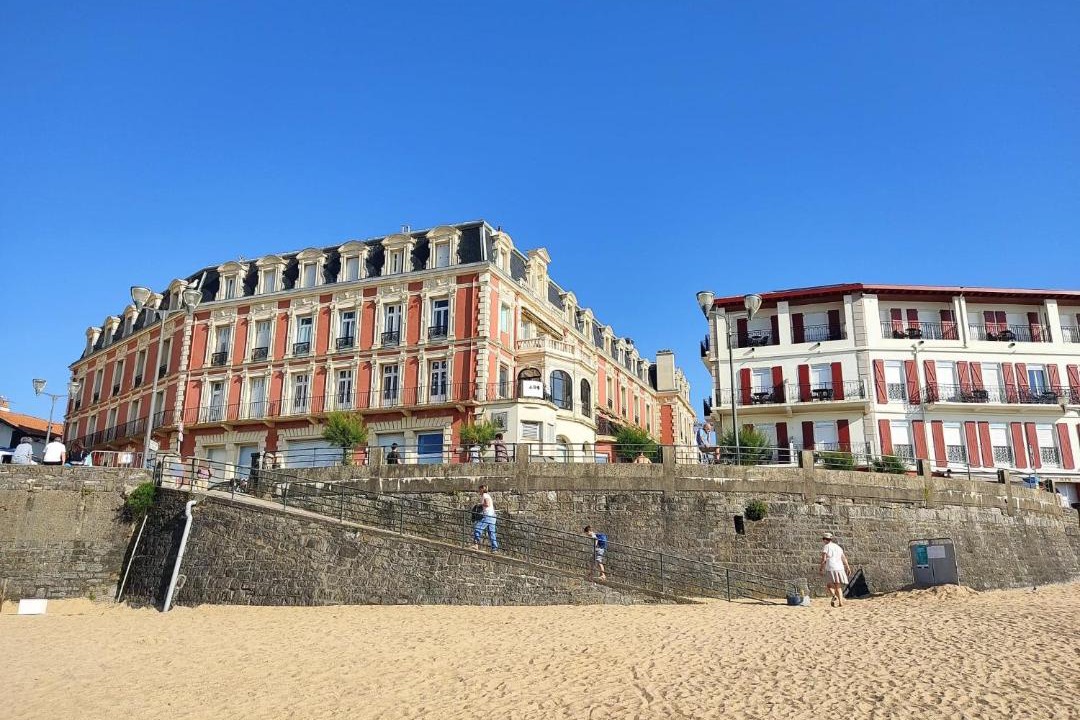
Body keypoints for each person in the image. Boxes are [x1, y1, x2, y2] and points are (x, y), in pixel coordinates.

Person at [819, 532, 852, 607]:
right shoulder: (838, 547)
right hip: (840, 568)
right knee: (838, 586)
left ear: (824, 539)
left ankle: (834, 595)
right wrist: (848, 567)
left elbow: (824, 559)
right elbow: (844, 558)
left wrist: (821, 569)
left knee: (829, 585)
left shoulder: (826, 547)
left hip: (831, 567)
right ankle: (840, 602)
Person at [472, 484, 498, 551]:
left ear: (482, 489)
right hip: (493, 516)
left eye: (479, 490)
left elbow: (488, 504)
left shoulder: (485, 495)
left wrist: (480, 504)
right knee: (491, 533)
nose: (479, 491)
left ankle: (476, 544)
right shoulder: (487, 495)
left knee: (477, 528)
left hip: (488, 516)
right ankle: (494, 548)